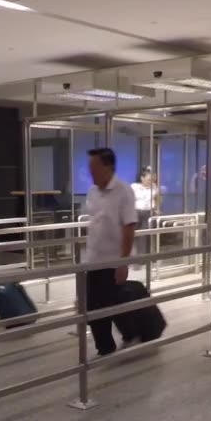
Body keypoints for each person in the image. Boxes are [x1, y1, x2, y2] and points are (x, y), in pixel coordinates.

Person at [82, 148, 137, 357]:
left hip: (113, 260)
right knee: (94, 307)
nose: (91, 173)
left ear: (109, 167)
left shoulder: (124, 191)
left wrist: (123, 262)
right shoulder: (92, 192)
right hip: (93, 259)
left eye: (94, 168)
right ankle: (105, 347)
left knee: (112, 303)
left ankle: (130, 332)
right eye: (90, 169)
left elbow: (129, 227)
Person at [130, 168, 156, 255]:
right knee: (137, 235)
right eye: (148, 179)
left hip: (148, 213)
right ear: (142, 178)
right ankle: (139, 256)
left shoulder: (154, 187)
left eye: (151, 179)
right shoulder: (134, 187)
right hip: (136, 212)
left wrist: (156, 208)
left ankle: (146, 256)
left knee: (146, 235)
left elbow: (158, 199)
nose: (150, 181)